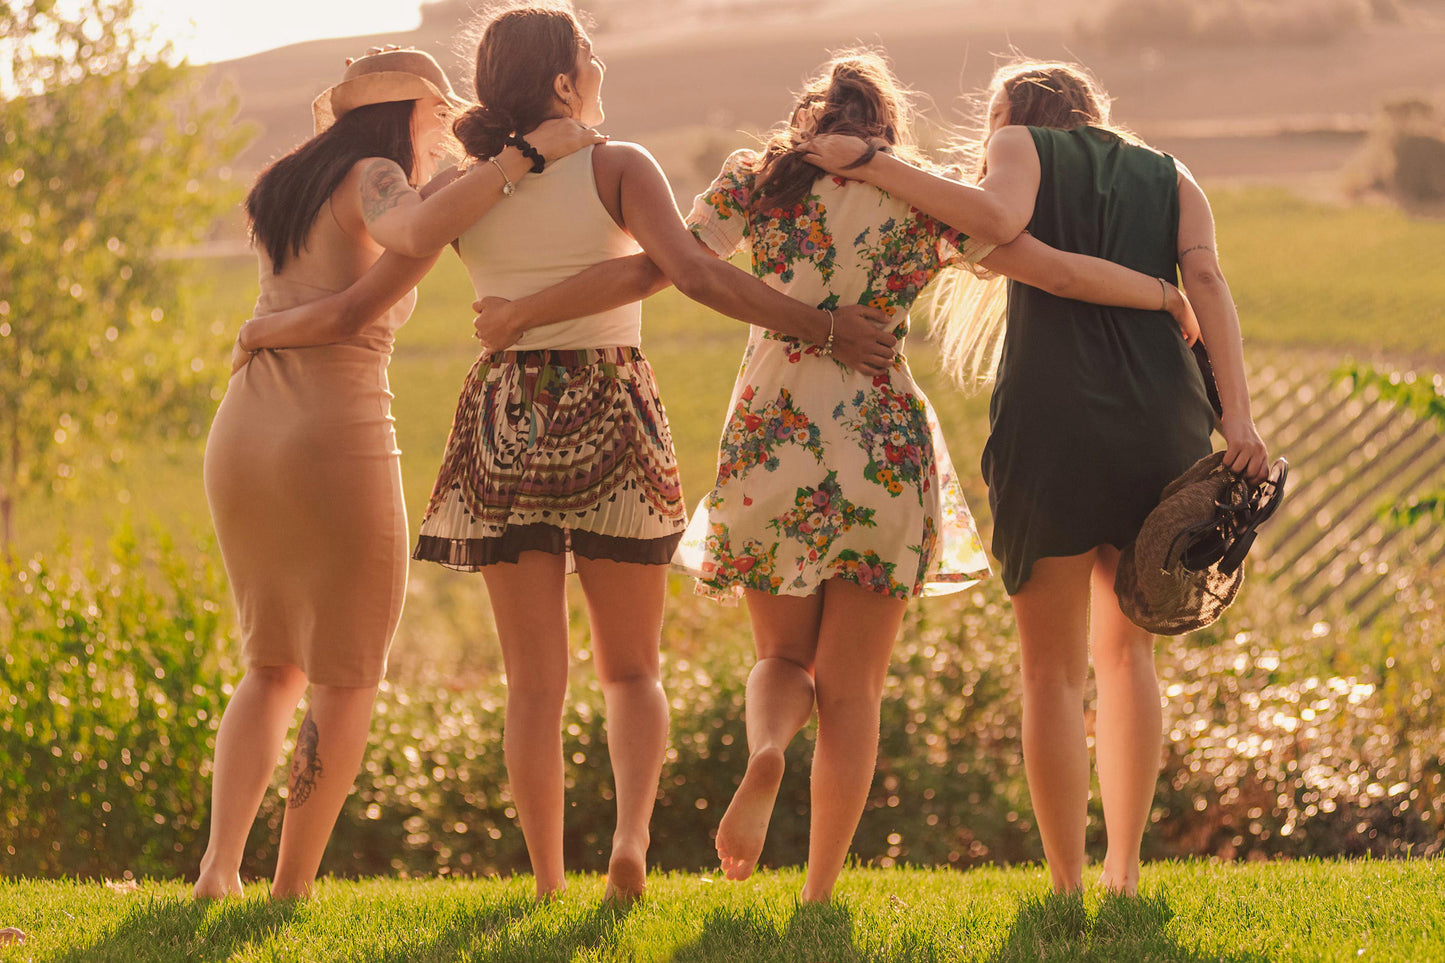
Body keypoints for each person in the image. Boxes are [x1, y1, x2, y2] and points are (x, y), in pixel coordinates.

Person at [473, 50, 1202, 903]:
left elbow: (664, 266)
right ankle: (818, 891)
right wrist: (1162, 295)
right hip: (880, 443)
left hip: (771, 433)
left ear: (811, 115)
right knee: (853, 691)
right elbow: (1049, 267)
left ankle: (768, 748)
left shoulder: (757, 176)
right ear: (885, 124)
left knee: (782, 657)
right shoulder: (921, 196)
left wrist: (526, 309)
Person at [399, 6, 903, 904]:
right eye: (589, 54)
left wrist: (516, 311)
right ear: (562, 79)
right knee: (630, 668)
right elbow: (694, 272)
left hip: (504, 409)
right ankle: (628, 839)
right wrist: (824, 326)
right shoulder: (618, 165)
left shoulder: (469, 185)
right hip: (608, 402)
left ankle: (549, 882)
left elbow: (405, 243)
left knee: (531, 682)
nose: (600, 66)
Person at [801, 59, 1269, 896]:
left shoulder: (1017, 144)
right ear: (1094, 110)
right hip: (1162, 417)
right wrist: (1236, 415)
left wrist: (869, 163)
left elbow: (1005, 227)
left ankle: (1066, 881)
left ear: (1011, 114)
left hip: (1051, 424)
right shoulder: (1170, 174)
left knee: (1049, 670)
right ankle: (1124, 871)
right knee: (1129, 658)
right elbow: (1207, 283)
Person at [195, 46, 601, 900]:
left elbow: (334, 285)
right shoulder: (376, 173)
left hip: (243, 430)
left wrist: (258, 333)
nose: (443, 127)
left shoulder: (286, 182)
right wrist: (523, 158)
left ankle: (217, 868)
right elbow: (366, 290)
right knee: (345, 672)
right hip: (328, 430)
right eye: (436, 113)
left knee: (268, 663)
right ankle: (289, 888)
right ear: (411, 111)